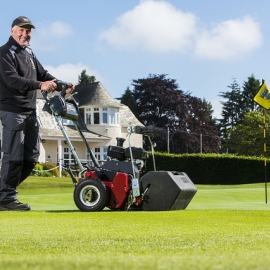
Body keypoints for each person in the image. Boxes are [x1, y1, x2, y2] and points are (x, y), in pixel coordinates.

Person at [0, 16, 74, 211]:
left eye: (28, 31)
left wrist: (61, 84)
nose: (25, 34)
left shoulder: (30, 53)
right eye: (21, 30)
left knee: (31, 157)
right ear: (12, 31)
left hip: (30, 111)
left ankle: (4, 192)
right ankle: (6, 198)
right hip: (12, 110)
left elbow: (43, 75)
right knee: (13, 155)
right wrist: (39, 85)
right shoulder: (4, 53)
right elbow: (12, 80)